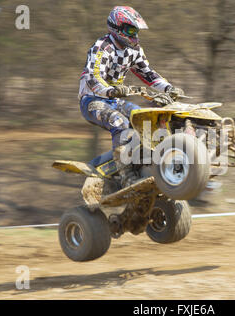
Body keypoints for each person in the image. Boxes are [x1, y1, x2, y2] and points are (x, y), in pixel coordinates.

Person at [78, 6, 183, 187]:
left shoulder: (134, 50)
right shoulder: (102, 47)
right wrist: (111, 90)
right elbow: (93, 78)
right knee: (120, 123)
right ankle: (126, 174)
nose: (135, 35)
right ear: (117, 28)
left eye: (136, 30)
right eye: (131, 30)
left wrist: (169, 88)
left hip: (114, 99)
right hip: (92, 100)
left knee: (144, 118)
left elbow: (147, 74)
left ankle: (153, 163)